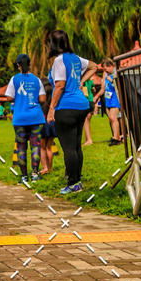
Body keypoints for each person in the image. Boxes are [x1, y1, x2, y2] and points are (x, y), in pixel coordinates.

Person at [46, 30, 97, 194]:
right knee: (76, 146)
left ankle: (73, 182)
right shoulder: (75, 58)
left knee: (68, 147)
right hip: (81, 105)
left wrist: (51, 108)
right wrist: (80, 82)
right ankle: (77, 180)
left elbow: (60, 85)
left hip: (66, 107)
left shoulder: (59, 60)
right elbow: (94, 66)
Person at [5, 54, 46, 183]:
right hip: (36, 117)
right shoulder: (36, 79)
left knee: (21, 146)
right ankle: (34, 174)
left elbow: (9, 97)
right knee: (36, 146)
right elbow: (42, 99)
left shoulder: (14, 79)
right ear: (29, 64)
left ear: (18, 65)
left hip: (20, 118)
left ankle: (24, 176)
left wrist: (19, 98)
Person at [94, 59, 123, 145]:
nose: (104, 70)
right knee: (111, 118)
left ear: (111, 66)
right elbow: (103, 88)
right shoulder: (106, 74)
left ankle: (117, 138)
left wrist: (112, 80)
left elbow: (120, 85)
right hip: (108, 98)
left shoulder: (117, 72)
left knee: (114, 117)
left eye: (105, 68)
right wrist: (97, 96)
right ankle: (115, 136)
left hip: (115, 97)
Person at [40, 76, 56, 175]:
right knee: (49, 147)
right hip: (52, 123)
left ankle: (44, 168)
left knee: (42, 147)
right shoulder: (53, 98)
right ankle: (50, 168)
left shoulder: (41, 100)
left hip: (43, 123)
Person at [82, 78, 94, 146]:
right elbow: (93, 89)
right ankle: (87, 139)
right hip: (91, 101)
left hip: (86, 101)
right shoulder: (90, 81)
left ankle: (89, 140)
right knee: (88, 121)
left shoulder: (82, 82)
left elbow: (84, 93)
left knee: (85, 121)